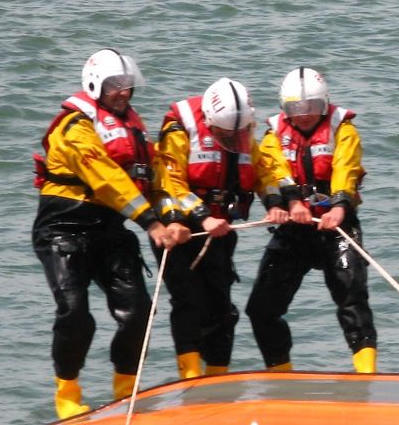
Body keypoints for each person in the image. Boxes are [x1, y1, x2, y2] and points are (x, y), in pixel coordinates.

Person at [32, 48, 188, 419]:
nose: (123, 92)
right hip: (64, 228)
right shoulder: (75, 129)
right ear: (94, 85)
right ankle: (67, 393)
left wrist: (174, 216)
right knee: (75, 312)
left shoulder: (133, 126)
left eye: (126, 85)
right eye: (114, 85)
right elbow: (106, 178)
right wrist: (151, 223)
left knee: (137, 312)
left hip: (110, 229)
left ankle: (124, 390)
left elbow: (152, 177)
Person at [245, 67, 377, 374]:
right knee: (261, 309)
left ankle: (367, 375)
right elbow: (272, 171)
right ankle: (281, 375)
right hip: (295, 227)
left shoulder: (343, 131)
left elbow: (346, 168)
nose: (303, 115)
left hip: (337, 225)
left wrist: (340, 207)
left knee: (352, 301)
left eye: (312, 108)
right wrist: (283, 204)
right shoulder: (274, 134)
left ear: (324, 104)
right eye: (294, 109)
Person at [155, 78, 284, 379]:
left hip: (221, 229)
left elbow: (263, 170)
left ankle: (217, 374)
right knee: (187, 301)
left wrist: (275, 203)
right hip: (180, 227)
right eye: (227, 135)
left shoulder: (243, 133)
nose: (235, 140)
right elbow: (170, 182)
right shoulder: (179, 130)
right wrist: (202, 217)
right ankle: (190, 376)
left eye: (240, 134)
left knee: (222, 308)